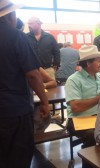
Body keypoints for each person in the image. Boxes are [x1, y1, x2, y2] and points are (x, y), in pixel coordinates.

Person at [0, 1, 49, 167]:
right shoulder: (15, 36)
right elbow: (33, 75)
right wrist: (44, 102)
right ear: (9, 15)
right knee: (18, 158)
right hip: (15, 111)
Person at [65, 45, 100, 167]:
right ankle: (89, 163)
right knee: (93, 134)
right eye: (98, 60)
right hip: (78, 120)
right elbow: (75, 107)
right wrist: (99, 98)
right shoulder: (73, 80)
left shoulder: (99, 76)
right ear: (89, 63)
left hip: (97, 118)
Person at [34, 68, 57, 134]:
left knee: (45, 118)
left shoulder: (36, 68)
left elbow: (53, 82)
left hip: (36, 103)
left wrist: (43, 85)